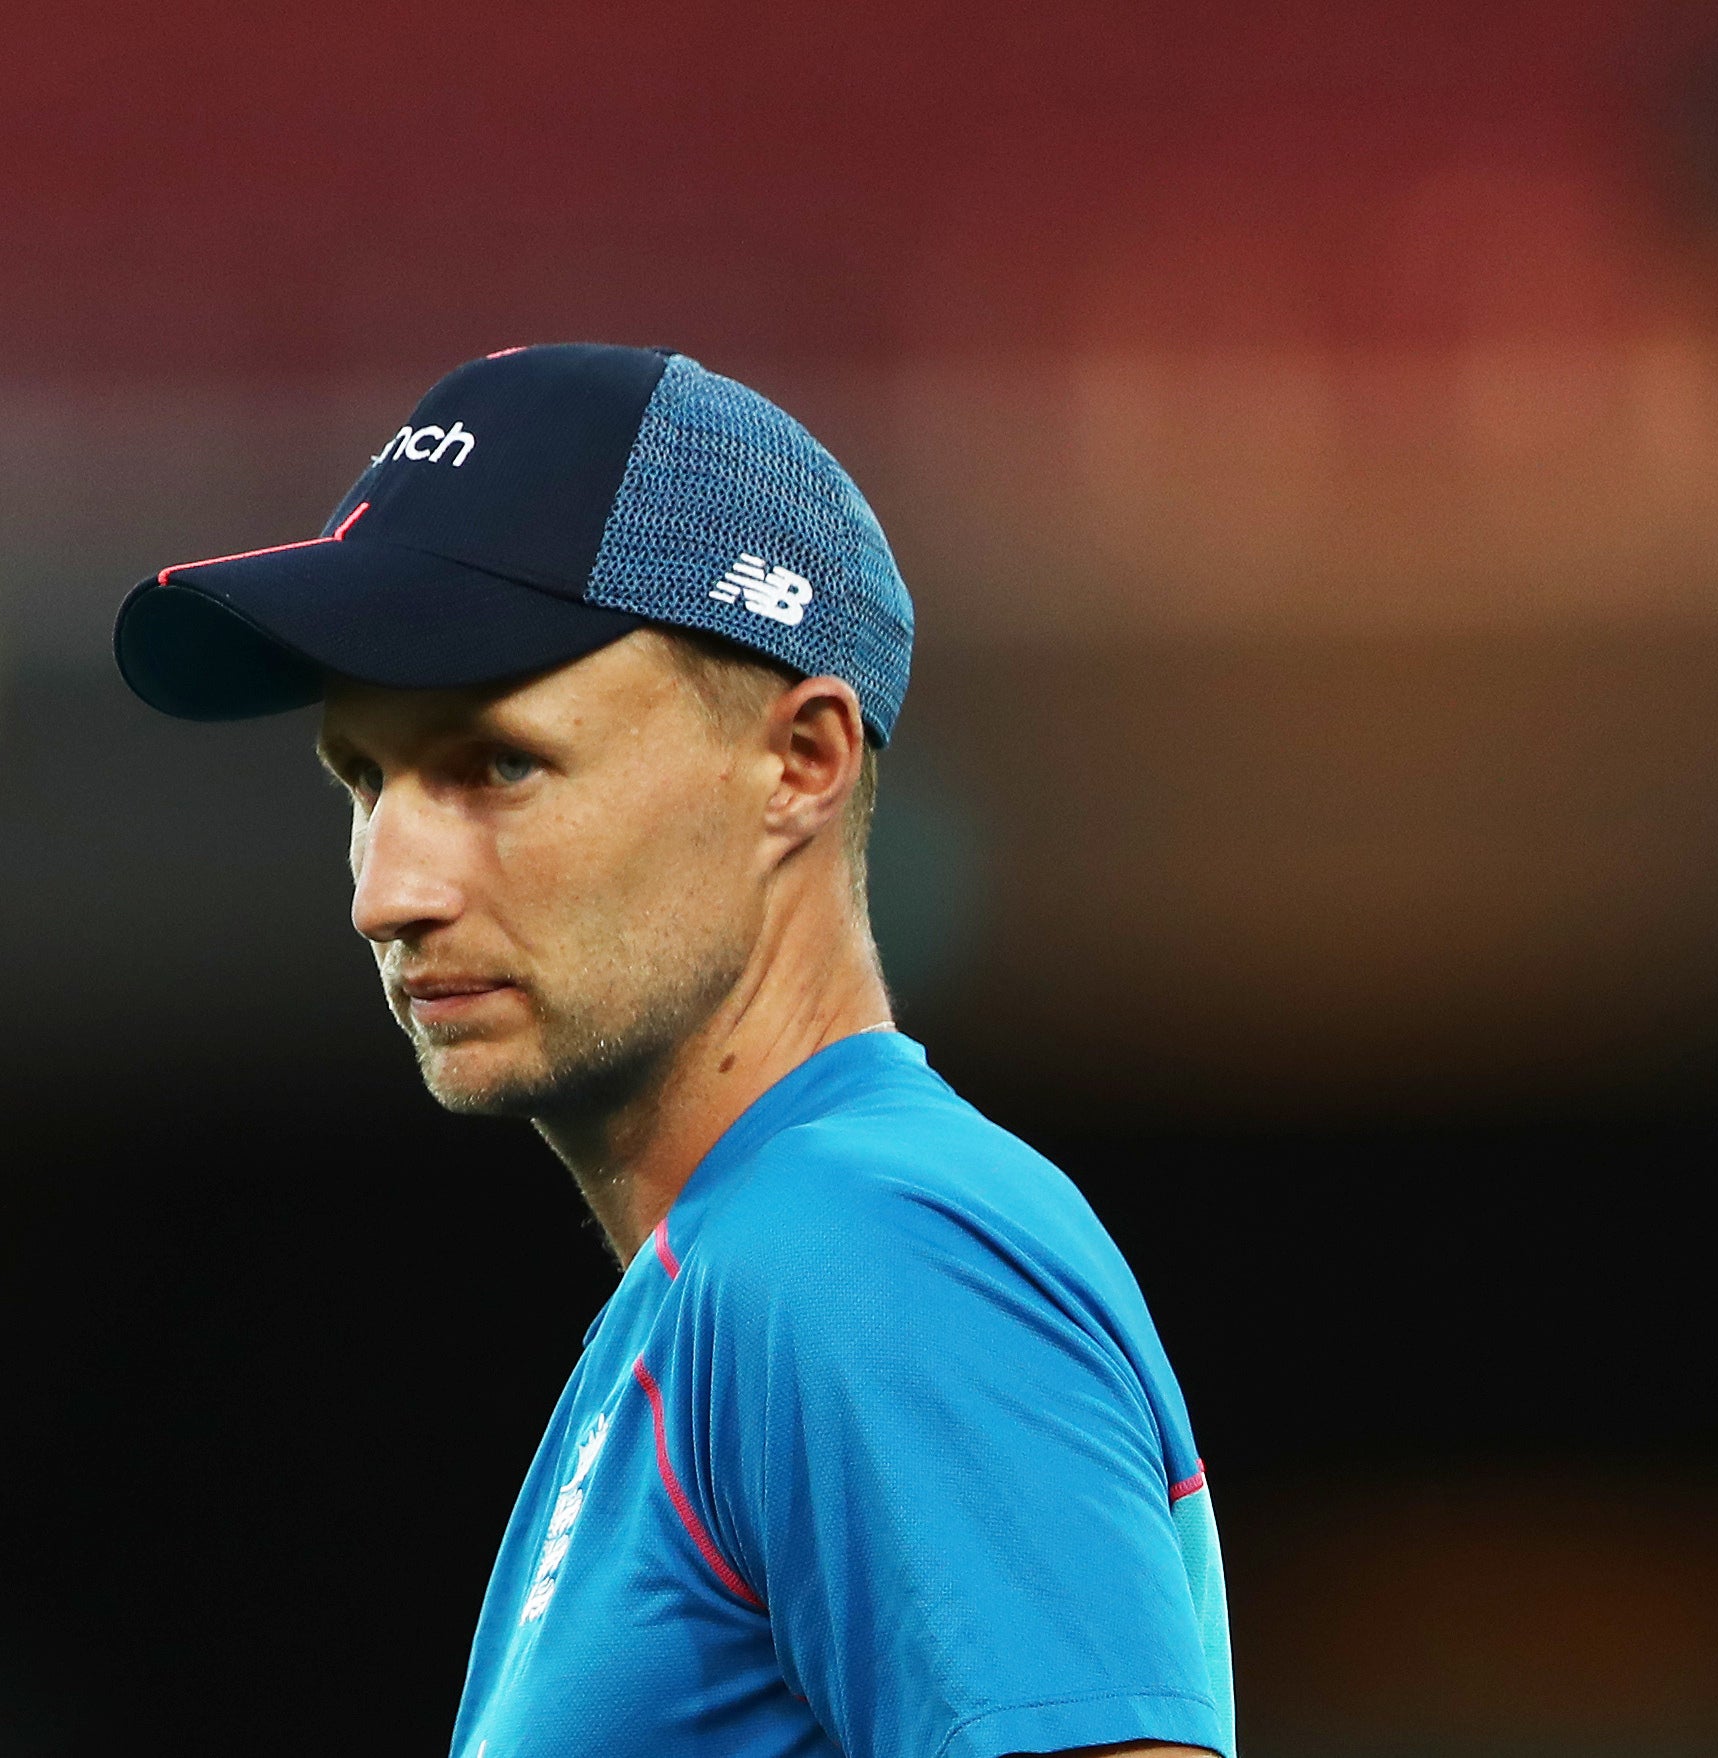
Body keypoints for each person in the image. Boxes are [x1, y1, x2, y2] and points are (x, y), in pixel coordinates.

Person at [114, 344, 1234, 1758]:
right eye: (367, 779)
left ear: (801, 763)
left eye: (495, 764)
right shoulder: (738, 1275)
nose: (386, 891)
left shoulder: (866, 1249)